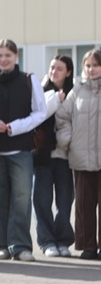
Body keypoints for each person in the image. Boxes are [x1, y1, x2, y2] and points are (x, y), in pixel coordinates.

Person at [0, 39, 47, 261]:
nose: (3, 59)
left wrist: (15, 127)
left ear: (16, 56)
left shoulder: (29, 80)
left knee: (21, 198)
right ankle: (0, 245)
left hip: (20, 150)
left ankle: (20, 246)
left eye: (8, 55)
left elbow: (40, 112)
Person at [55, 48, 101, 260]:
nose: (91, 69)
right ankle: (88, 246)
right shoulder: (77, 90)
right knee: (84, 205)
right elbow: (62, 117)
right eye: (88, 65)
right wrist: (68, 140)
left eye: (96, 65)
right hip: (81, 158)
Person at [33, 55, 75, 257]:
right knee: (42, 200)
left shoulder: (75, 93)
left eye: (59, 68)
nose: (53, 72)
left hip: (66, 155)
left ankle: (63, 240)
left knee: (65, 200)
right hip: (42, 154)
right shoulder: (40, 92)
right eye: (51, 67)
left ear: (68, 72)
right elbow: (36, 117)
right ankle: (47, 241)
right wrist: (54, 99)